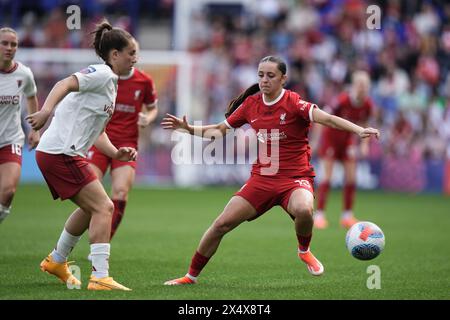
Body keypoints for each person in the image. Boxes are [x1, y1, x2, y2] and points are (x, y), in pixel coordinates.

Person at [161, 56, 380, 285]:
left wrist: (359, 130)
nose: (264, 80)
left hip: (295, 179)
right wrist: (187, 129)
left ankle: (304, 250)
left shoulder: (295, 103)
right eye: (261, 75)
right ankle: (190, 276)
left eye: (271, 75)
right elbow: (218, 130)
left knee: (304, 209)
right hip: (262, 180)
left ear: (283, 79)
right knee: (220, 225)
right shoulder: (250, 105)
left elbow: (328, 119)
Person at [26, 20, 137, 291]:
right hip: (60, 152)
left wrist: (116, 153)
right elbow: (66, 83)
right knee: (104, 207)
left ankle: (57, 260)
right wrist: (46, 110)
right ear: (114, 55)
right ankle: (100, 276)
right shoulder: (101, 73)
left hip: (62, 153)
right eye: (131, 53)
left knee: (91, 208)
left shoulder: (110, 84)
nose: (136, 58)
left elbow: (97, 132)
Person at [87, 39, 158, 241]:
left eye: (137, 52)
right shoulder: (102, 77)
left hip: (127, 144)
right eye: (131, 52)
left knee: (120, 191)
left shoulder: (144, 81)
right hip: (99, 140)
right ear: (118, 54)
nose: (135, 57)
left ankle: (102, 242)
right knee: (91, 194)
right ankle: (68, 243)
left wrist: (148, 117)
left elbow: (153, 108)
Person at [314, 71, 375, 229]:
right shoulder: (341, 100)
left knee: (351, 178)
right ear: (354, 86)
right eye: (360, 85)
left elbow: (366, 123)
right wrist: (315, 141)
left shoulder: (367, 104)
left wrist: (364, 144)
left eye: (365, 86)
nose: (362, 89)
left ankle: (347, 216)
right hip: (331, 140)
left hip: (347, 141)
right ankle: (319, 215)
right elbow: (323, 118)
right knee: (327, 177)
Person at [0, 27, 40, 224]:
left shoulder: (24, 74)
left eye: (13, 44)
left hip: (10, 139)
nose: (9, 48)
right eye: (4, 43)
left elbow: (32, 97)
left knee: (8, 192)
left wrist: (35, 128)